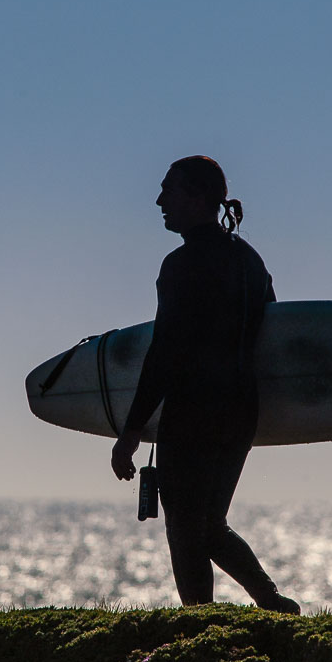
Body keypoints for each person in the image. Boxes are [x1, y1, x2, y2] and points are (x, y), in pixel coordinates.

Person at [111, 156, 300, 614]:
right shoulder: (248, 260)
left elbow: (164, 352)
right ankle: (274, 605)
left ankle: (199, 623)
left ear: (197, 198)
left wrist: (132, 430)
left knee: (184, 527)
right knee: (210, 524)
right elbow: (271, 330)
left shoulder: (181, 265)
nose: (159, 201)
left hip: (193, 411)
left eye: (168, 191)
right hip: (240, 410)